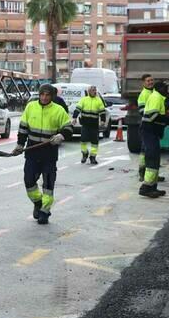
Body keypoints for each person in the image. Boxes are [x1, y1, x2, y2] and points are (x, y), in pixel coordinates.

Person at [12, 84, 71, 224]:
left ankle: (45, 211)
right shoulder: (30, 107)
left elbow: (68, 128)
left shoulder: (59, 110)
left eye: (47, 95)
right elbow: (23, 128)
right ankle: (37, 202)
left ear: (52, 96)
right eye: (42, 94)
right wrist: (20, 144)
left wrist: (61, 136)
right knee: (29, 181)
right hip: (32, 151)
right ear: (39, 95)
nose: (44, 97)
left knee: (48, 185)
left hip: (49, 153)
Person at [138, 79, 168, 198]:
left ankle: (153, 187)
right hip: (149, 132)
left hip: (152, 132)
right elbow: (153, 116)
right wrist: (168, 118)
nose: (167, 90)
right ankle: (146, 187)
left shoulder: (158, 97)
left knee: (155, 159)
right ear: (160, 89)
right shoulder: (156, 97)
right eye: (166, 88)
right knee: (152, 158)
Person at [74, 85, 107, 165]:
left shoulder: (98, 100)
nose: (94, 92)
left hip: (94, 125)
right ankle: (84, 154)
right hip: (85, 124)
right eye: (92, 90)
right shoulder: (84, 100)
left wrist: (103, 120)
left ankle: (93, 157)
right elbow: (78, 109)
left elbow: (102, 111)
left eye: (95, 90)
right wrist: (74, 118)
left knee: (95, 142)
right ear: (89, 91)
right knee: (83, 141)